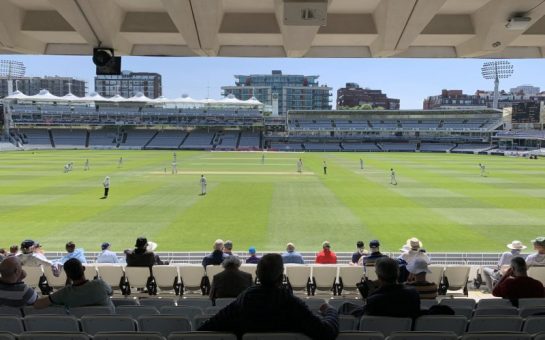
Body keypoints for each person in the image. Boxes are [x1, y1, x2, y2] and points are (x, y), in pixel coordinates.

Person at [199, 253, 339, 340]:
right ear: (281, 277)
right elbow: (326, 332)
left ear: (257, 275)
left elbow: (204, 330)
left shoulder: (242, 302)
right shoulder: (293, 304)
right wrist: (330, 310)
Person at [34, 258, 114, 311]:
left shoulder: (64, 293)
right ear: (83, 269)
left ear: (67, 275)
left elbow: (37, 304)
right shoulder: (100, 284)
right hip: (110, 324)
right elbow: (111, 292)